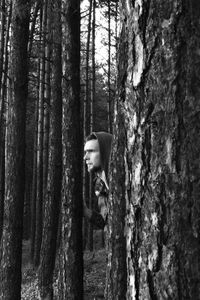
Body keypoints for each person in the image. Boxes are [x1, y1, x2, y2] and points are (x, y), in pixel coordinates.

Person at [83, 131, 112, 229]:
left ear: (105, 152)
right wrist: (85, 211)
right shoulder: (99, 184)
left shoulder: (128, 179)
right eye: (86, 152)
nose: (85, 157)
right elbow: (105, 222)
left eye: (91, 151)